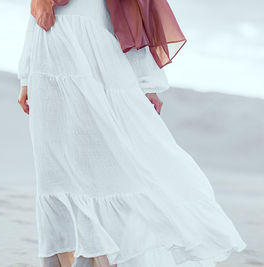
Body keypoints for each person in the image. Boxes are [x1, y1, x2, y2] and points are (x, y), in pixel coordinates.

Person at [17, 0, 246, 266]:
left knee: (105, 171)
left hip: (95, 57)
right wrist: (26, 74)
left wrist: (146, 82)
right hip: (49, 57)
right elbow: (37, 15)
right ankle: (64, 258)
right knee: (54, 172)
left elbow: (132, 11)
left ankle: (100, 257)